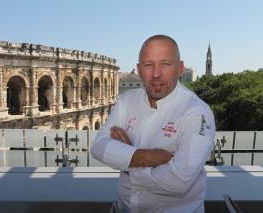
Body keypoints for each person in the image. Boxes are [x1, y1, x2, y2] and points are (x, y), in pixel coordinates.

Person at [91, 35, 215, 213]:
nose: (156, 73)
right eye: (148, 65)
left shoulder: (198, 112)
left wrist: (128, 161)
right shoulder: (127, 100)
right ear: (139, 69)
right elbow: (99, 147)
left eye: (165, 64)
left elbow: (179, 181)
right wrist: (146, 157)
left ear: (180, 68)